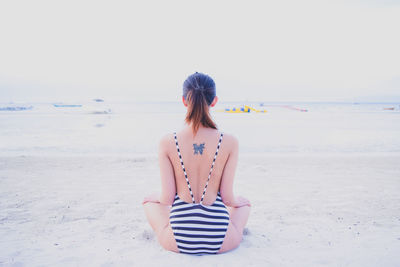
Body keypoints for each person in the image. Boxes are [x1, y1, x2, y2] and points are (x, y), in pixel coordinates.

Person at [142, 72, 251, 255]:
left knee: (148, 202)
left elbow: (167, 199)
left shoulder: (168, 141)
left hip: (179, 240)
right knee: (245, 205)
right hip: (220, 240)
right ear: (214, 101)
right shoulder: (230, 141)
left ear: (184, 101)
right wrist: (239, 201)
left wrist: (154, 196)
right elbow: (228, 199)